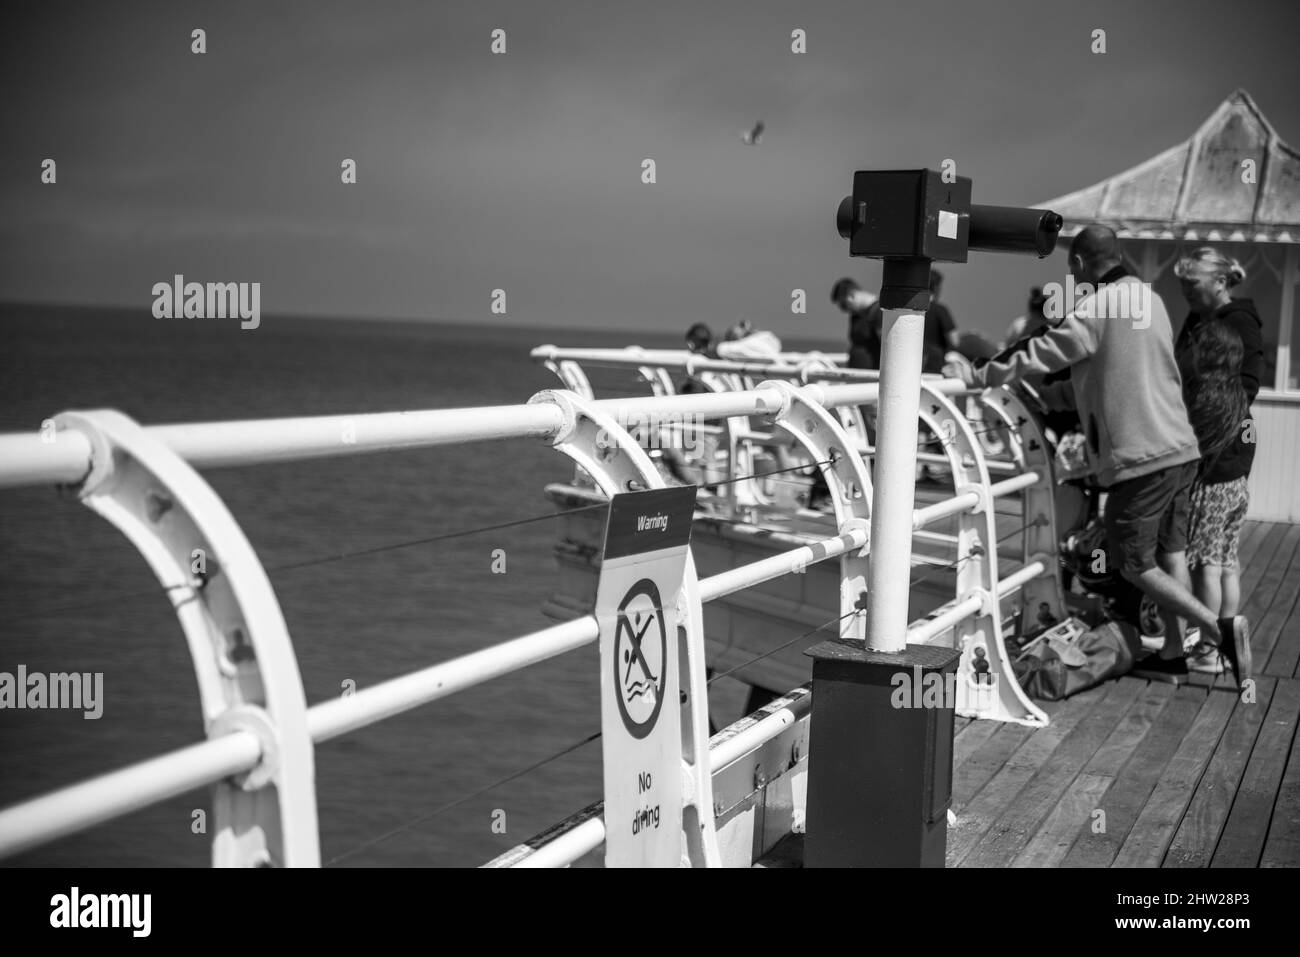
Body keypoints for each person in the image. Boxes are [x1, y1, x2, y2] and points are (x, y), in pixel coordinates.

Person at [973, 225, 1249, 686]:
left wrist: (981, 371)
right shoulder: (1151, 300)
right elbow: (1110, 376)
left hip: (1142, 459)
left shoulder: (1096, 306)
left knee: (1132, 563)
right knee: (1168, 556)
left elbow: (1041, 349)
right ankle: (1176, 654)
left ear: (1079, 264)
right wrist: (1054, 399)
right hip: (1181, 449)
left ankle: (1215, 628)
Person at [1173, 247, 1264, 687]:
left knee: (1205, 563)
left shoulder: (1236, 324)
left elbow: (1246, 384)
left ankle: (1208, 648)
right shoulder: (1206, 321)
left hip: (1217, 465)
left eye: (1192, 284)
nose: (1185, 292)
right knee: (1226, 562)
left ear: (1220, 282)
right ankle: (1227, 641)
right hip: (1235, 468)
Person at [831, 277, 882, 370]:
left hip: (872, 378)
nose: (844, 310)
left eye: (844, 305)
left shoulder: (878, 312)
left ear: (851, 295)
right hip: (856, 376)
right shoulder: (856, 316)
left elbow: (887, 347)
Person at [922, 269, 960, 375]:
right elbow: (954, 340)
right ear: (936, 288)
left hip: (915, 362)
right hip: (934, 366)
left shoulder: (914, 310)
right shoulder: (940, 310)